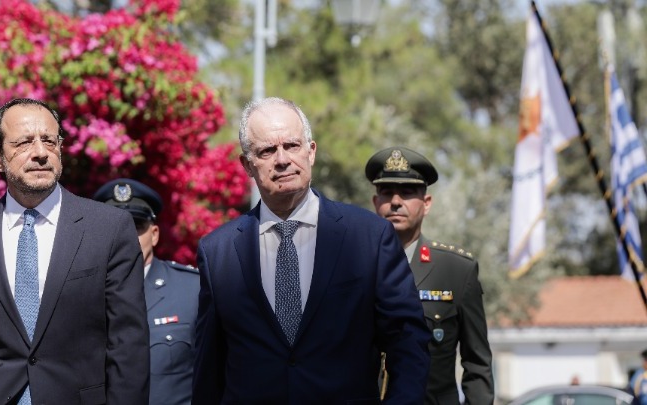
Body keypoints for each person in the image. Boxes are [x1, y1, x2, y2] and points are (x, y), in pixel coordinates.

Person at [192, 97, 431, 404]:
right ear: (247, 165)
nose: (282, 159)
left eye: (292, 145)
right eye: (267, 151)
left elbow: (407, 341)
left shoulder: (369, 237)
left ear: (311, 151)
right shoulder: (218, 252)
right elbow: (209, 368)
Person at [0, 98, 150, 404]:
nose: (40, 153)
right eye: (23, 143)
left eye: (49, 140)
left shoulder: (109, 229)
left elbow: (128, 346)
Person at [365, 146, 494, 404]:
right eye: (387, 192)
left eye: (407, 192)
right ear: (376, 202)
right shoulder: (351, 265)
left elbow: (477, 364)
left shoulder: (456, 270)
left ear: (426, 204)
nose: (396, 201)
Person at [93, 178, 199, 405]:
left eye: (137, 226)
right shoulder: (80, 292)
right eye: (114, 227)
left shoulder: (192, 290)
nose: (127, 236)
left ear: (155, 234)